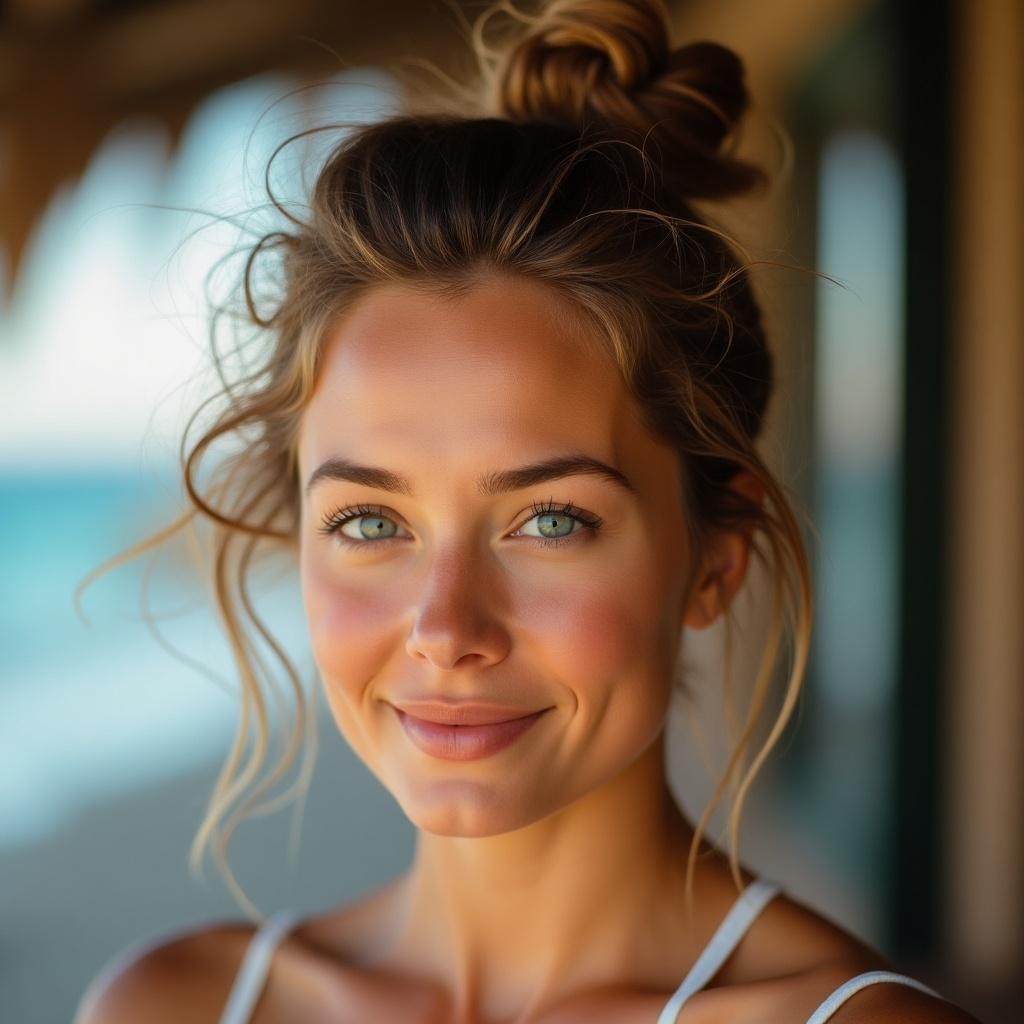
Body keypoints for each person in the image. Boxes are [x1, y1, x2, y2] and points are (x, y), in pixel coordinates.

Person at [75, 1, 982, 1021]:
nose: (446, 630)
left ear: (716, 557)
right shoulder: (175, 1003)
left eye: (551, 519)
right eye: (372, 522)